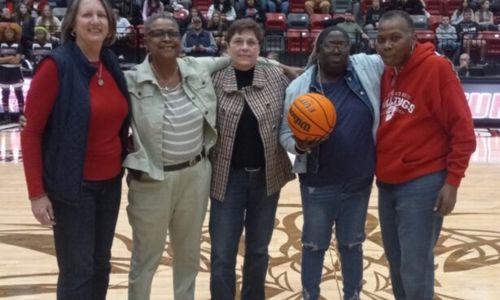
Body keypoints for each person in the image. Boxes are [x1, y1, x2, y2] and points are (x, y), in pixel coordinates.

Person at [20, 0, 130, 299]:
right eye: (87, 15)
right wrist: (37, 194)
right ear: (72, 23)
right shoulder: (56, 66)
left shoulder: (109, 60)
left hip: (110, 184)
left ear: (109, 23)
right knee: (77, 271)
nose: (95, 20)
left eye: (101, 15)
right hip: (72, 187)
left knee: (100, 265)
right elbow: (31, 132)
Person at [375, 10, 476, 300]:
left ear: (413, 38)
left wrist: (453, 181)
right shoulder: (387, 71)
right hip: (387, 183)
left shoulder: (436, 69)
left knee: (415, 268)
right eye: (381, 39)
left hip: (422, 183)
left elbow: (463, 130)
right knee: (396, 264)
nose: (387, 45)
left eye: (395, 38)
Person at [279, 26, 383, 300]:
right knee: (314, 245)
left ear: (350, 50)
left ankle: (352, 295)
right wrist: (300, 146)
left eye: (343, 45)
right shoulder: (299, 88)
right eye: (330, 44)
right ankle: (310, 295)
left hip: (359, 180)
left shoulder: (365, 69)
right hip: (318, 182)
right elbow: (285, 135)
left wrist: (442, 61)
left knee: (352, 244)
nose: (337, 49)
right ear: (319, 48)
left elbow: (399, 53)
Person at [208, 18, 296, 300]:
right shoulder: (212, 79)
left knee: (258, 250)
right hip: (226, 177)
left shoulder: (277, 78)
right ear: (227, 45)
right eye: (238, 41)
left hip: (266, 177)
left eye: (251, 42)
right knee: (223, 252)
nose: (245, 48)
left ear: (259, 47)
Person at [0, 22, 24, 124]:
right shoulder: (1, 45)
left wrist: (4, 59)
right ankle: (6, 116)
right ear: (3, 34)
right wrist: (11, 57)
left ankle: (21, 115)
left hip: (15, 71)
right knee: (5, 94)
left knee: (19, 93)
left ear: (15, 33)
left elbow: (17, 61)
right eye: (6, 32)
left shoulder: (19, 45)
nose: (8, 34)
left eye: (10, 32)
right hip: (4, 71)